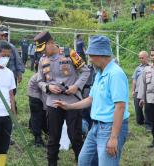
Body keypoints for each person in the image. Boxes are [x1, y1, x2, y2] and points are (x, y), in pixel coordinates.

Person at [55, 35, 130, 166]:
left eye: (91, 56)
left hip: (109, 128)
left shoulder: (115, 74)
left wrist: (113, 138)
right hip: (95, 126)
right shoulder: (100, 73)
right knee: (84, 161)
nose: (89, 59)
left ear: (101, 54)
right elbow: (91, 99)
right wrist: (69, 106)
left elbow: (120, 107)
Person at [35, 31, 90, 166]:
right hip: (53, 103)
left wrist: (76, 87)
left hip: (71, 101)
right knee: (53, 138)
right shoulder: (43, 60)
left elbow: (86, 71)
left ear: (51, 43)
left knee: (75, 136)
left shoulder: (69, 53)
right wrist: (48, 87)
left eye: (44, 48)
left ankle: (81, 162)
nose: (43, 52)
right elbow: (39, 81)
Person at [132, 51, 150, 127]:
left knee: (148, 108)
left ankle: (148, 123)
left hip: (148, 91)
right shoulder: (138, 68)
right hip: (137, 91)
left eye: (142, 58)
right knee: (137, 108)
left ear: (147, 57)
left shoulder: (151, 67)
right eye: (139, 58)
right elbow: (134, 80)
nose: (141, 59)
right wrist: (133, 90)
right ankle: (140, 120)